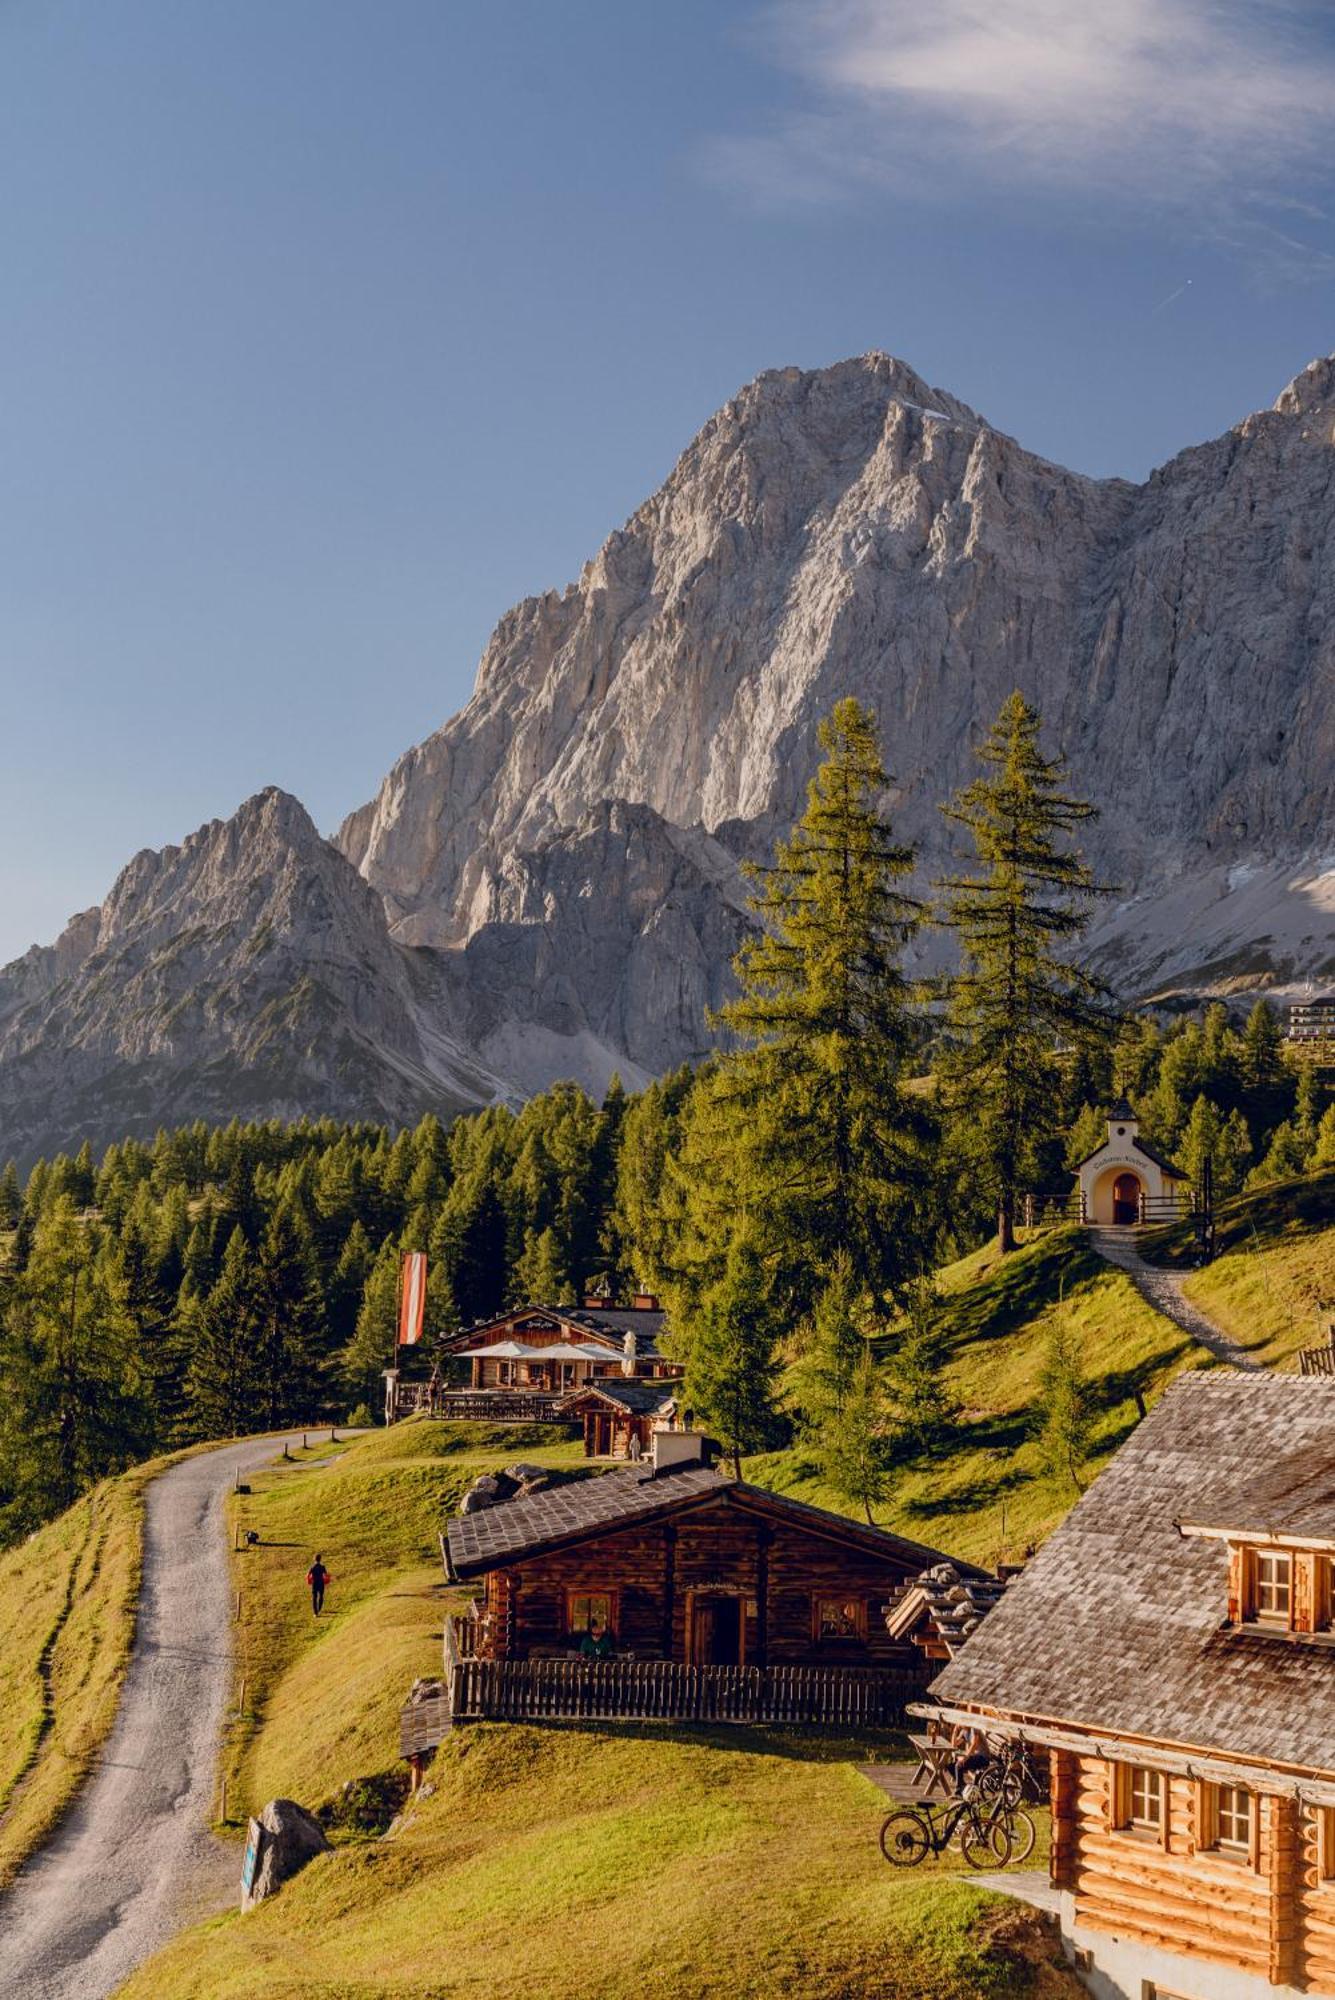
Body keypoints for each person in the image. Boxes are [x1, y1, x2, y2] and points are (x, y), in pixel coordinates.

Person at [949, 1722, 990, 1796]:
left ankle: (959, 1791)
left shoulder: (974, 1729)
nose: (960, 1724)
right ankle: (963, 1788)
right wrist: (955, 1731)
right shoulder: (964, 1731)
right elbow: (954, 1745)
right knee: (951, 1766)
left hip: (983, 1757)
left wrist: (965, 1758)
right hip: (975, 1756)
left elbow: (974, 1744)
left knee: (958, 1765)